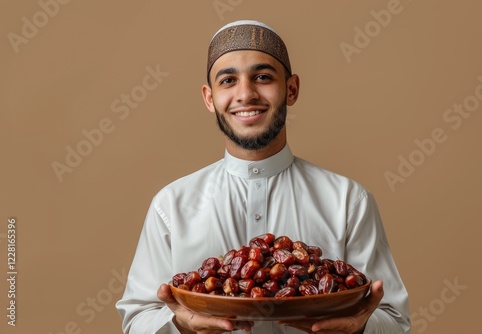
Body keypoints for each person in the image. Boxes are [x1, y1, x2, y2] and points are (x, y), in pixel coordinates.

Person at [116, 20, 411, 333]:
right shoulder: (171, 205)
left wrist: (360, 328)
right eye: (228, 80)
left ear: (292, 89)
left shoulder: (348, 201)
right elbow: (137, 319)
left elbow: (394, 320)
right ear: (209, 98)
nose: (246, 94)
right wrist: (180, 325)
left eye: (263, 77)